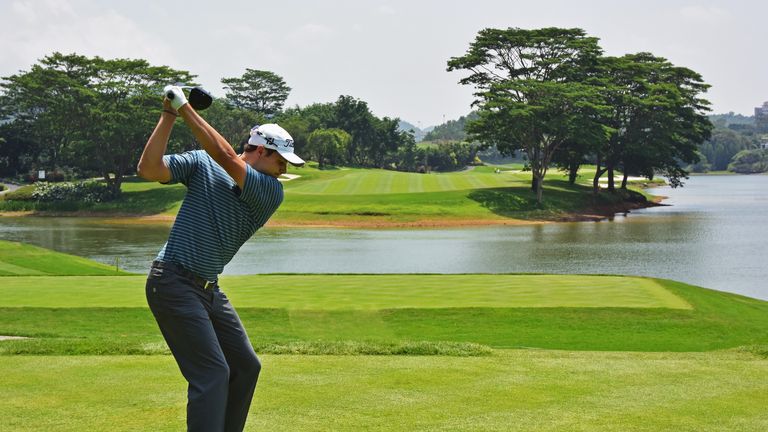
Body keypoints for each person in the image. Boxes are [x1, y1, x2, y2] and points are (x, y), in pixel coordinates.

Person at [136, 85, 304, 432]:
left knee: (245, 366)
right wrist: (168, 114)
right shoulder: (200, 164)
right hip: (171, 281)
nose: (284, 168)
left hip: (208, 289)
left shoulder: (270, 190)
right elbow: (149, 169)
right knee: (212, 374)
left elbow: (226, 156)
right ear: (260, 150)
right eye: (281, 160)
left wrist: (183, 107)